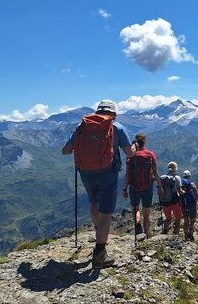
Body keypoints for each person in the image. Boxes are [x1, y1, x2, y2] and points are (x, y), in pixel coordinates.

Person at [61, 99, 134, 269]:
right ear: (113, 114)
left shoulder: (82, 127)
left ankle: (98, 231)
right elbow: (129, 153)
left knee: (94, 202)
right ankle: (100, 254)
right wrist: (135, 148)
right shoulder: (117, 127)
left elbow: (65, 150)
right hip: (107, 173)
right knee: (106, 213)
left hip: (86, 172)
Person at [122, 133, 163, 239]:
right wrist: (160, 186)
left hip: (134, 188)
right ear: (144, 142)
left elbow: (127, 174)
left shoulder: (131, 156)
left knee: (135, 209)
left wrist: (124, 189)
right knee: (147, 213)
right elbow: (155, 172)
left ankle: (137, 226)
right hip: (147, 187)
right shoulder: (150, 154)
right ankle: (146, 234)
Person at [159, 162, 184, 236]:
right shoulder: (177, 178)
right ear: (175, 169)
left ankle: (165, 231)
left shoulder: (163, 178)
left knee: (168, 218)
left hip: (165, 201)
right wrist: (185, 192)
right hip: (174, 200)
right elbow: (180, 191)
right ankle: (176, 233)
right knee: (178, 218)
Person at [180, 170, 198, 241]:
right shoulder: (191, 183)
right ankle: (190, 231)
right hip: (192, 204)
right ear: (189, 176)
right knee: (192, 219)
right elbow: (196, 194)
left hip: (183, 204)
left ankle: (186, 234)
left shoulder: (180, 183)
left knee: (186, 220)